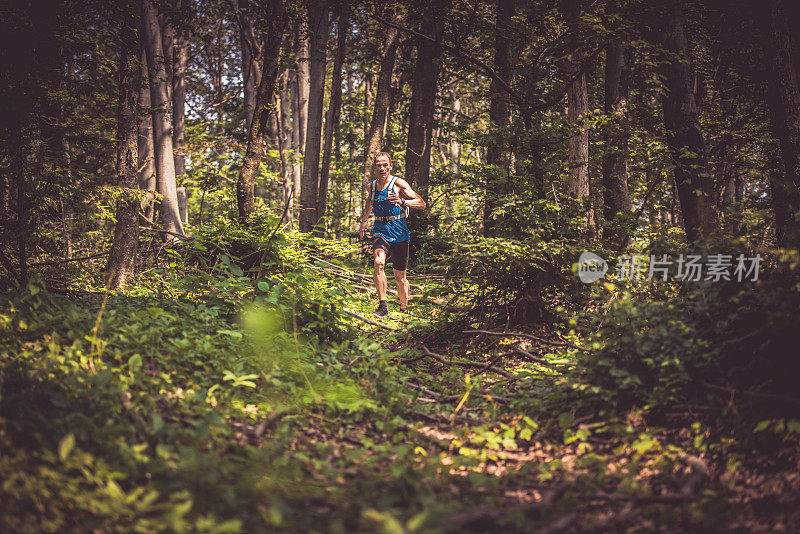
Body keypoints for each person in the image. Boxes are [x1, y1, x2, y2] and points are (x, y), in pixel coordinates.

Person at [358, 152, 427, 317]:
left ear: (390, 166)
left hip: (399, 231)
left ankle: (404, 310)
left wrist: (402, 201)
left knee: (400, 277)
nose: (382, 168)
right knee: (378, 262)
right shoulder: (372, 186)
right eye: (378, 165)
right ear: (375, 167)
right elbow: (369, 202)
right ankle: (383, 306)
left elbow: (421, 203)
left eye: (384, 165)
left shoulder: (398, 183)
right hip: (380, 229)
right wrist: (364, 222)